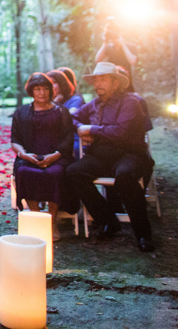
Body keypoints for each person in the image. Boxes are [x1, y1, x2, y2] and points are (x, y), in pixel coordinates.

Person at [66, 62, 155, 253]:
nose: (98, 84)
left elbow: (121, 132)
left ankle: (143, 234)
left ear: (115, 83)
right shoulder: (94, 104)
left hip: (131, 153)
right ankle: (108, 221)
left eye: (103, 79)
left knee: (125, 176)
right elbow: (72, 119)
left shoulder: (130, 102)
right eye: (96, 80)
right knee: (74, 172)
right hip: (103, 155)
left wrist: (92, 129)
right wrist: (79, 127)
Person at [10, 73, 74, 241]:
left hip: (57, 156)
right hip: (29, 156)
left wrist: (54, 156)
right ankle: (38, 219)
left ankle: (51, 222)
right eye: (37, 89)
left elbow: (68, 139)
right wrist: (24, 154)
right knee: (23, 171)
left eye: (45, 88)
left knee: (55, 174)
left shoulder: (61, 111)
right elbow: (14, 141)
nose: (42, 93)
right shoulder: (21, 113)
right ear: (32, 91)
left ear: (51, 90)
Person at [95, 18, 137, 92]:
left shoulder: (130, 47)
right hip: (112, 85)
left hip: (127, 84)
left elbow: (132, 61)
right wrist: (105, 43)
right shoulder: (109, 48)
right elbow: (97, 60)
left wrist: (123, 44)